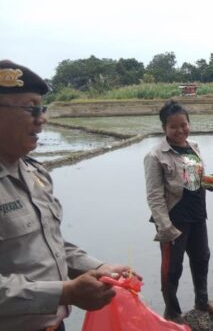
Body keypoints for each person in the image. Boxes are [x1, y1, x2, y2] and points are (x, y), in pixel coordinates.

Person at [0, 60, 134, 331]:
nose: (42, 118)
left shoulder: (34, 173)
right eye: (31, 108)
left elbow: (52, 243)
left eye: (42, 108)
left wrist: (99, 268)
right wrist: (65, 292)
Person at [143, 100, 213, 324]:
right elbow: (154, 196)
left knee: (201, 257)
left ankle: (201, 301)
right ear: (164, 129)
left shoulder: (193, 146)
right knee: (172, 268)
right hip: (174, 218)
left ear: (189, 123)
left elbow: (193, 180)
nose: (180, 130)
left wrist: (209, 182)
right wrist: (164, 226)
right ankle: (172, 312)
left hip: (197, 213)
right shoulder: (155, 156)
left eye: (183, 124)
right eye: (173, 127)